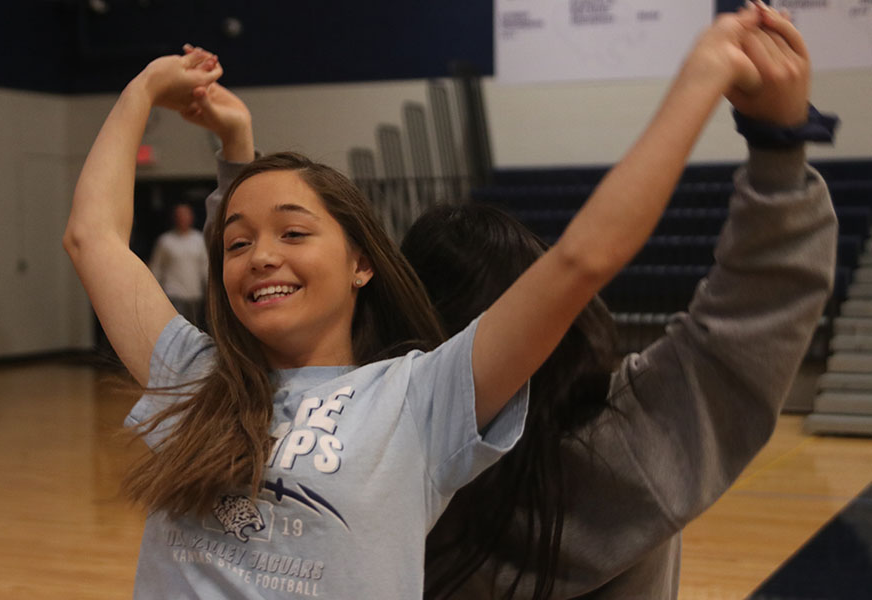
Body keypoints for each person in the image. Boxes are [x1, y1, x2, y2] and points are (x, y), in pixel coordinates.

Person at [65, 6, 780, 599]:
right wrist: (144, 93)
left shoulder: (420, 399)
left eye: (293, 232)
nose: (261, 257)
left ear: (362, 264)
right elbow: (92, 237)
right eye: (237, 246)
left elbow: (582, 258)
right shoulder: (194, 375)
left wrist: (703, 78)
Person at [402, 7, 837, 599]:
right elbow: (741, 321)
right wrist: (778, 145)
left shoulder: (377, 446)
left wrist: (238, 156)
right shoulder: (622, 450)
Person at [148, 202, 208, 326]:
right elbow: (156, 268)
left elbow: (205, 268)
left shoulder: (199, 240)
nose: (183, 218)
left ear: (191, 217)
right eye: (179, 215)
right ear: (174, 218)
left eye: (186, 215)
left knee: (194, 329)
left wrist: (209, 291)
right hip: (173, 293)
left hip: (194, 294)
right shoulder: (165, 241)